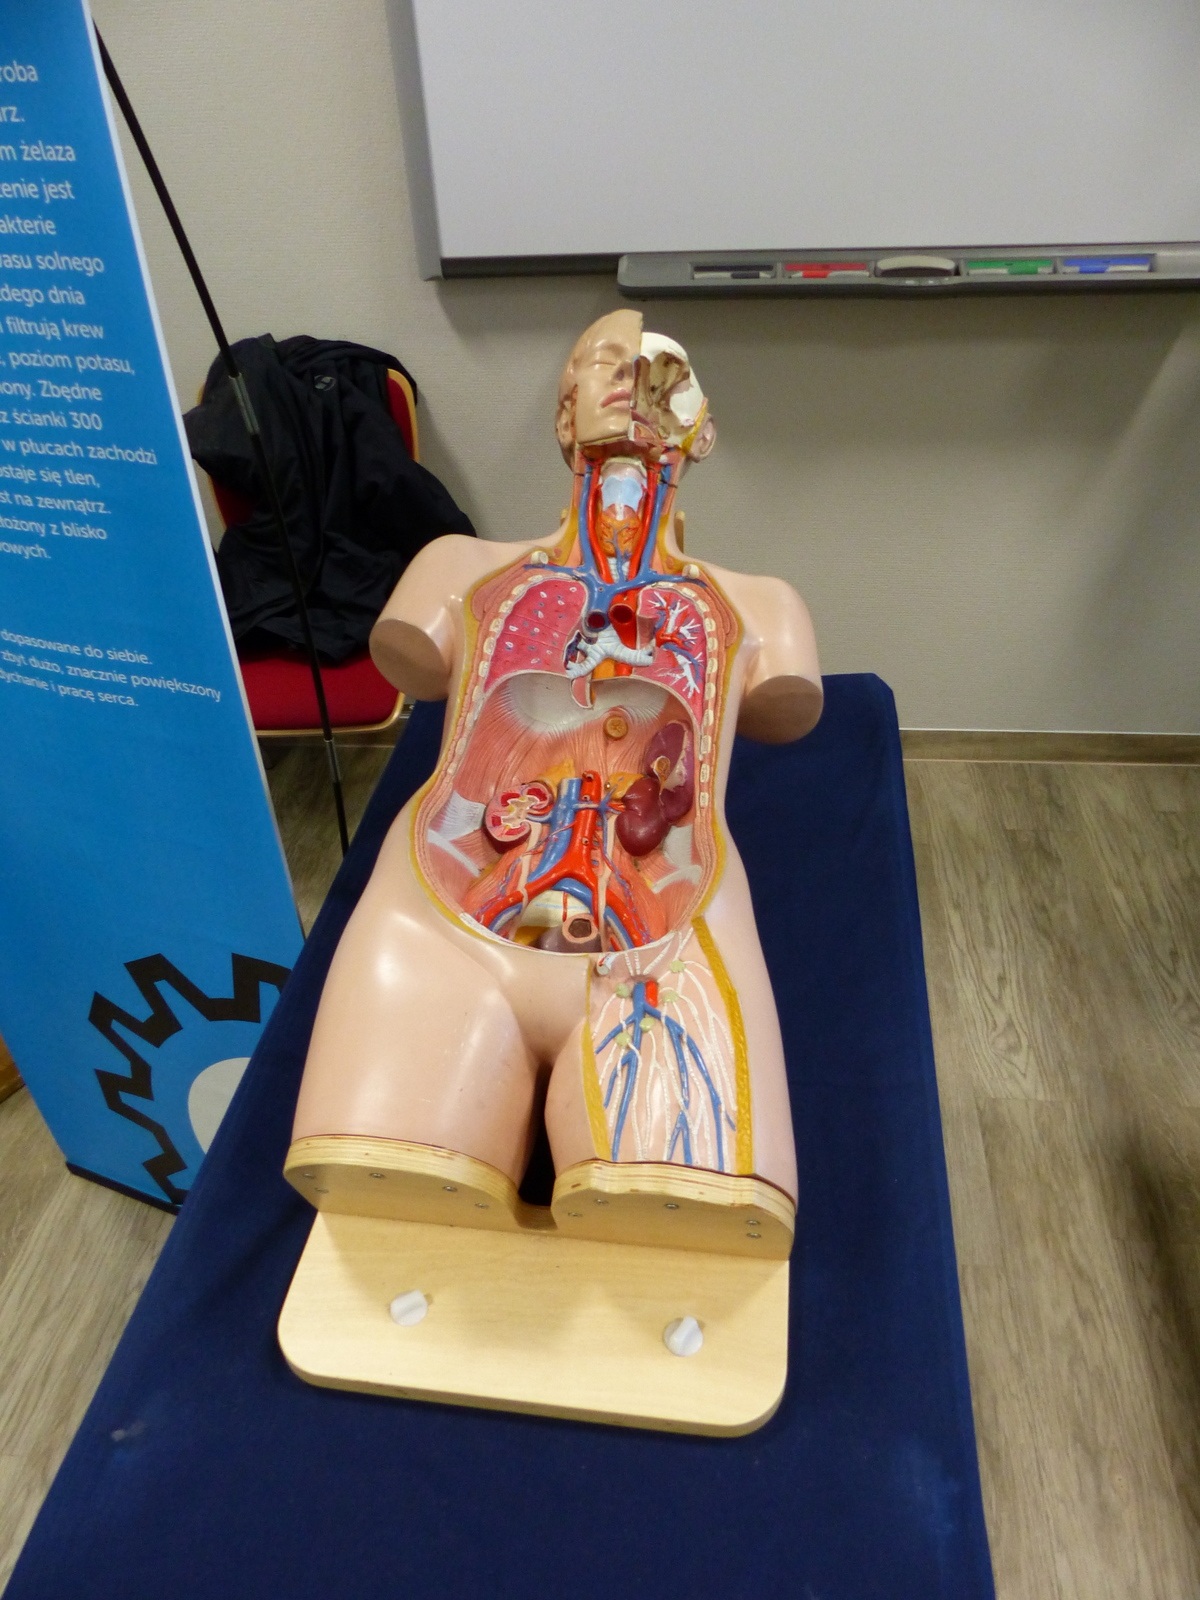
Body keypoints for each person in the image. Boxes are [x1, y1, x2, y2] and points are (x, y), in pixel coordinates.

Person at [286, 309, 822, 1258]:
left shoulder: (761, 610)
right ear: (564, 415)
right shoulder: (455, 572)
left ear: (701, 429)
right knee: (385, 1179)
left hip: (667, 946)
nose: (635, 376)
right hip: (440, 927)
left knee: (696, 1214)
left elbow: (790, 704)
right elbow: (412, 656)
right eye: (605, 361)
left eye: (664, 368)